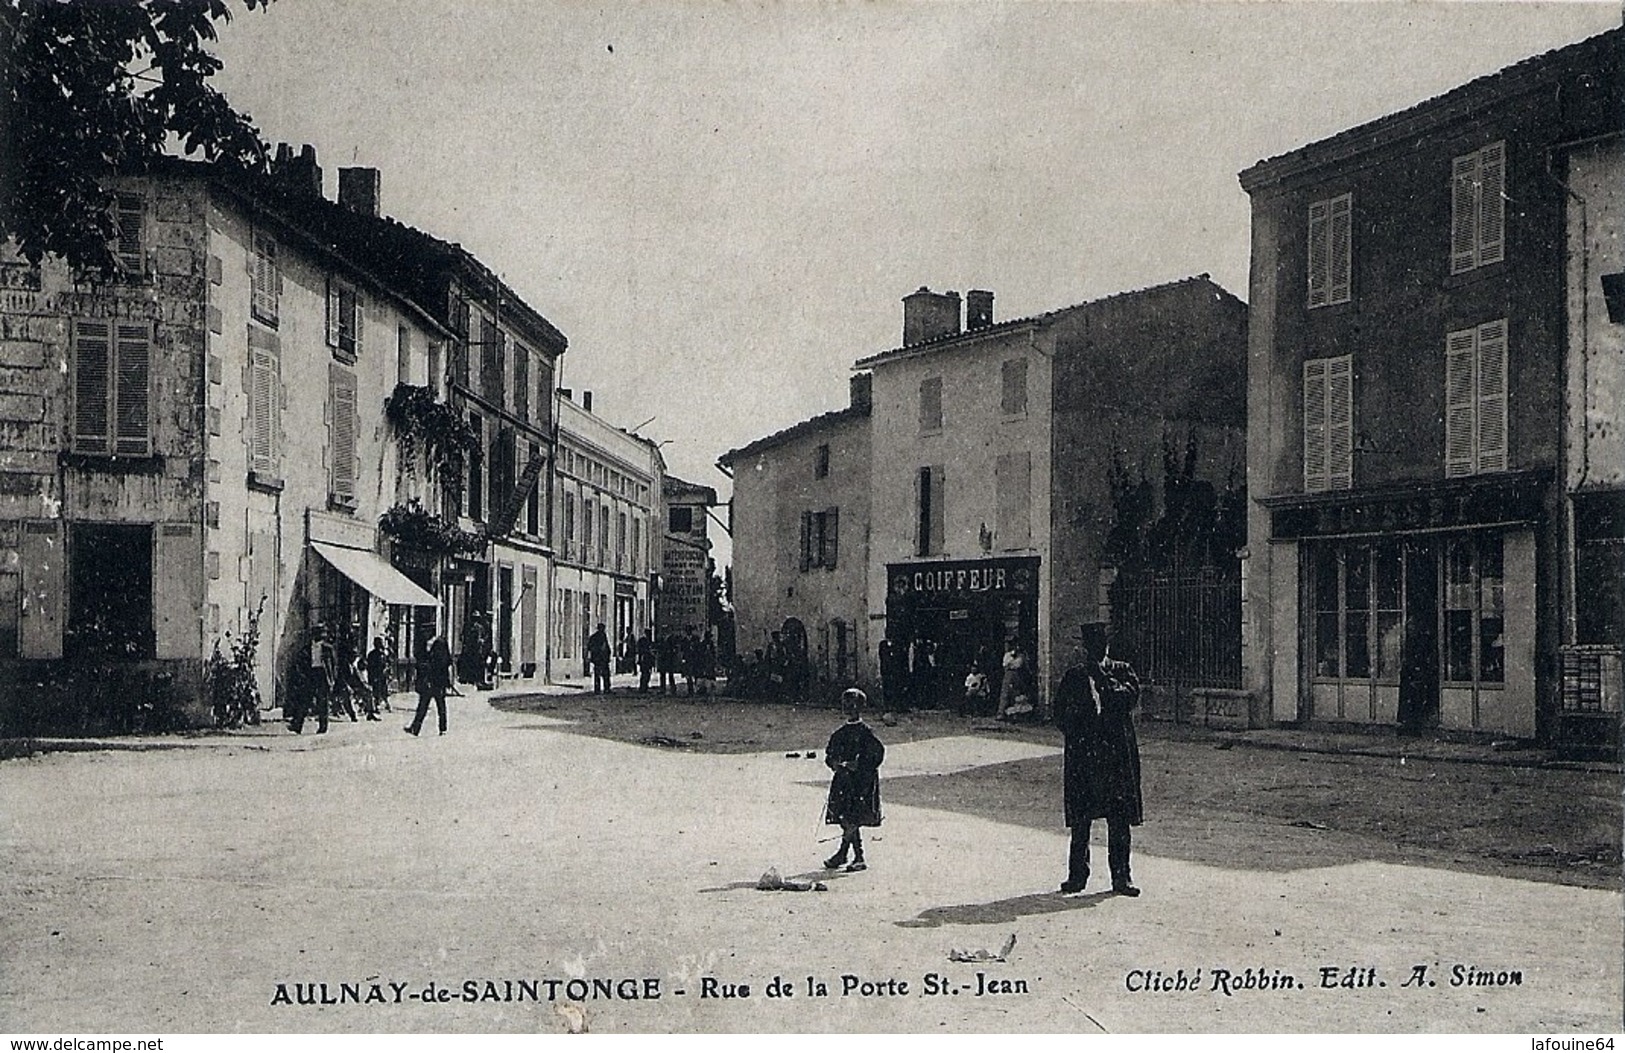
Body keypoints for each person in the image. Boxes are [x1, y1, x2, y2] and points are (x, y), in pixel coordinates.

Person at [1054, 622, 1143, 897]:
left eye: (1100, 647)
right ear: (1085, 648)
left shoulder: (1123, 671)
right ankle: (1077, 876)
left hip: (1115, 756)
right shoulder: (1074, 677)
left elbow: (1126, 700)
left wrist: (1103, 679)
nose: (1095, 652)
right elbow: (1059, 713)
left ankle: (1121, 878)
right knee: (1081, 819)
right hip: (1085, 756)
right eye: (1090, 647)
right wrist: (1079, 731)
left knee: (1119, 819)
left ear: (1107, 647)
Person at [821, 688, 885, 872]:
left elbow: (877, 756)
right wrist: (835, 764)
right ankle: (846, 854)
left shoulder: (866, 733)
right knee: (844, 817)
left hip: (860, 783)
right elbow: (829, 755)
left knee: (852, 817)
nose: (848, 709)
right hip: (843, 781)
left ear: (860, 708)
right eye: (845, 705)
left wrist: (858, 765)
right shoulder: (839, 733)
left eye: (853, 705)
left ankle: (856, 856)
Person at [406, 629, 453, 736]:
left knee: (438, 705)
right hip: (430, 680)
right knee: (425, 705)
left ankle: (442, 729)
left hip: (437, 680)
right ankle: (416, 728)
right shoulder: (427, 644)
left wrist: (446, 680)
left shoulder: (439, 644)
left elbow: (445, 663)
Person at [289, 623, 333, 735]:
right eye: (319, 633)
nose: (322, 635)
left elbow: (333, 665)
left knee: (322, 702)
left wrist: (331, 679)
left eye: (323, 633)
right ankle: (297, 725)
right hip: (311, 675)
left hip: (323, 675)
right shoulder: (307, 648)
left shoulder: (328, 648)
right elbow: (301, 662)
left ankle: (323, 727)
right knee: (304, 700)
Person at [996, 641, 1032, 720]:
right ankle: (1001, 712)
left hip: (1018, 674)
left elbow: (1019, 664)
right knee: (1005, 693)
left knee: (1017, 693)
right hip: (1009, 673)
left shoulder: (1022, 656)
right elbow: (1005, 664)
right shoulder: (1008, 655)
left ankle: (1016, 714)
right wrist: (1012, 659)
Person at [364, 636, 390, 720]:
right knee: (376, 691)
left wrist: (386, 671)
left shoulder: (382, 654)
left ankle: (384, 704)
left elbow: (386, 663)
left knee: (383, 690)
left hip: (382, 675)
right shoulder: (372, 654)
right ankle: (375, 707)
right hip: (375, 675)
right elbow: (370, 666)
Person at [587, 622, 612, 693]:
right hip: (601, 658)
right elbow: (606, 647)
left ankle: (598, 689)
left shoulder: (594, 636)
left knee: (598, 674)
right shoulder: (601, 636)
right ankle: (606, 688)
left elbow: (589, 647)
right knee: (605, 674)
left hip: (598, 659)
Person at [657, 630, 680, 695]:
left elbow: (675, 649)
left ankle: (673, 688)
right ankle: (662, 688)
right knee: (662, 675)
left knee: (670, 675)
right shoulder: (661, 639)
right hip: (663, 659)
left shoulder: (671, 639)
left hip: (669, 659)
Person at [636, 629, 656, 694]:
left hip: (648, 660)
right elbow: (641, 650)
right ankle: (643, 687)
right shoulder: (643, 641)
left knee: (646, 674)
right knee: (645, 674)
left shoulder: (648, 641)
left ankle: (644, 687)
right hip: (644, 660)